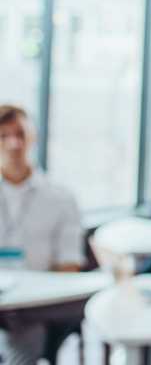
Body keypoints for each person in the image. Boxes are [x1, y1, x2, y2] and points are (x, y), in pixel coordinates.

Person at [0, 105, 85, 365]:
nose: (14, 144)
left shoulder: (61, 197)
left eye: (20, 134)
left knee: (23, 341)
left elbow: (69, 266)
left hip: (35, 307)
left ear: (33, 138)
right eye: (3, 136)